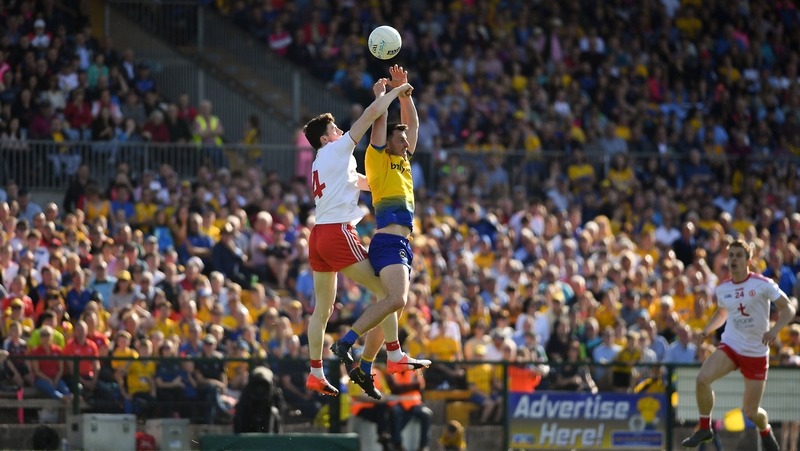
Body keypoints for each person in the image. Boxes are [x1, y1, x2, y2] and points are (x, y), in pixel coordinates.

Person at [302, 74, 422, 398]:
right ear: (327, 139)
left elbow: (367, 183)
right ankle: (394, 353)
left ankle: (315, 371)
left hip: (318, 235)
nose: (341, 133)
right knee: (389, 294)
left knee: (323, 310)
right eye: (335, 131)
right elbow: (369, 117)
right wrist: (396, 92)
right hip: (339, 232)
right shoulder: (337, 150)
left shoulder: (323, 162)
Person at [681, 240, 795, 451]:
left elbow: (788, 309)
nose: (733, 259)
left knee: (751, 412)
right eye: (731, 255)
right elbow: (722, 313)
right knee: (702, 380)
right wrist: (706, 330)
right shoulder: (723, 288)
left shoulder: (763, 284)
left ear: (748, 261)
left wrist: (774, 330)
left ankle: (765, 430)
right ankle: (705, 428)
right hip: (731, 345)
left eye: (738, 255)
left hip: (756, 352)